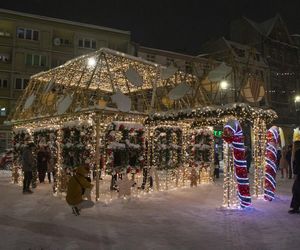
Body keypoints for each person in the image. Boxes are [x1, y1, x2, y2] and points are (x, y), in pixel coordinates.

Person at [289, 141, 300, 214]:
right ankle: (295, 207)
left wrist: (295, 173)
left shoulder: (298, 152)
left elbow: (297, 163)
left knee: (296, 190)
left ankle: (295, 207)